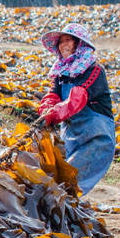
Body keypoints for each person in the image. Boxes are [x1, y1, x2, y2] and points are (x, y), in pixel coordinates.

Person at [38, 22, 115, 195]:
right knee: (63, 181)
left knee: (70, 182)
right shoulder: (61, 72)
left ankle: (62, 216)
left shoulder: (93, 70)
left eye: (68, 40)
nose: (63, 44)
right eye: (61, 41)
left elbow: (77, 99)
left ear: (79, 45)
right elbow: (53, 95)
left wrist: (54, 114)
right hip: (71, 136)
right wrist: (46, 110)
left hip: (96, 137)